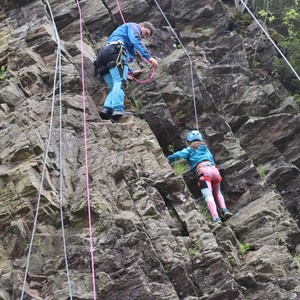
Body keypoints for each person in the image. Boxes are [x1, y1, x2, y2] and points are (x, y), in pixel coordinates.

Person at [94, 22, 158, 121]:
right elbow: (136, 40)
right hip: (114, 51)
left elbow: (121, 62)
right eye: (146, 33)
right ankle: (117, 109)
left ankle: (107, 110)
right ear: (141, 26)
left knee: (114, 86)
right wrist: (149, 57)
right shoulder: (133, 26)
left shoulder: (122, 34)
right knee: (120, 82)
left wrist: (130, 71)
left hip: (102, 57)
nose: (144, 37)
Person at [167, 130, 233, 224]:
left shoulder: (190, 149)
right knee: (218, 192)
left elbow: (179, 155)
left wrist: (169, 158)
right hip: (214, 171)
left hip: (203, 172)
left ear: (189, 141)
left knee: (208, 195)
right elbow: (212, 159)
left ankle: (216, 218)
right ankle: (225, 210)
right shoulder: (205, 149)